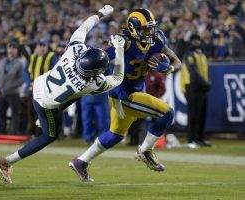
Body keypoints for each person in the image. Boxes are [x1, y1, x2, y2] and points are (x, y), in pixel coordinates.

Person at [0, 5, 125, 184]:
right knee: (50, 135)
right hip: (46, 103)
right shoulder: (91, 83)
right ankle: (7, 161)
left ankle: (43, 119)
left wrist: (101, 13)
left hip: (40, 86)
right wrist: (119, 50)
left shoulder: (74, 51)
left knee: (74, 96)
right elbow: (117, 77)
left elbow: (84, 27)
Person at [70, 8, 181, 182]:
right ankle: (145, 151)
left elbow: (177, 62)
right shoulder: (124, 42)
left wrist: (169, 68)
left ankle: (81, 161)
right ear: (134, 28)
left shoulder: (157, 39)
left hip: (134, 91)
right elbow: (99, 58)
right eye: (145, 29)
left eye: (151, 28)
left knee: (115, 135)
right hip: (123, 94)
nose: (149, 32)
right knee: (167, 113)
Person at [180, 34, 211, 148]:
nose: (196, 42)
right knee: (193, 114)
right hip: (192, 86)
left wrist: (207, 82)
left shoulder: (202, 55)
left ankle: (200, 138)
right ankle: (191, 139)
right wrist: (205, 82)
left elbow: (205, 71)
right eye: (194, 40)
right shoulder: (189, 54)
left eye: (198, 40)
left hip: (202, 86)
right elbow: (193, 72)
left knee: (202, 113)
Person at [25, 39, 58, 136]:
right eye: (40, 46)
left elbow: (54, 71)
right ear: (37, 47)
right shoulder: (32, 57)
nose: (42, 48)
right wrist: (28, 82)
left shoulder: (51, 56)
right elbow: (26, 72)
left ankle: (42, 133)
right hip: (32, 89)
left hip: (44, 90)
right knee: (30, 111)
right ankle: (33, 132)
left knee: (41, 112)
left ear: (47, 47)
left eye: (44, 46)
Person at [0, 42, 25, 134]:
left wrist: (10, 87)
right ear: (7, 49)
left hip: (13, 92)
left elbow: (21, 79)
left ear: (16, 50)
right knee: (0, 112)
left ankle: (14, 131)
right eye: (10, 48)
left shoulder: (20, 63)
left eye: (13, 48)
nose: (11, 50)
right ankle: (1, 130)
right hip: (2, 91)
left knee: (15, 113)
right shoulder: (2, 61)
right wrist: (0, 87)